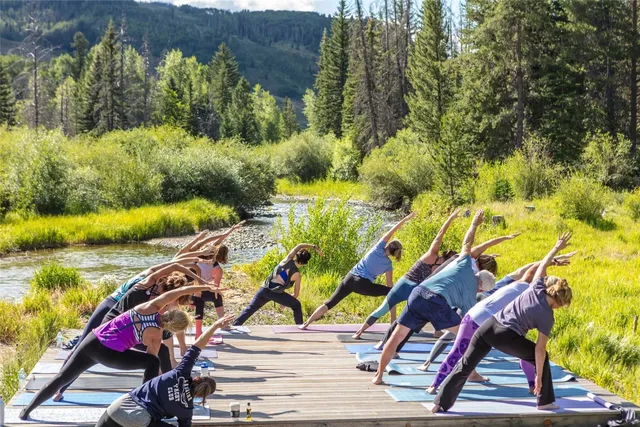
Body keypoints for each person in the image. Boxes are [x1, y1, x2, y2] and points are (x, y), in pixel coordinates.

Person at [19, 283, 222, 421]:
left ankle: (26, 412)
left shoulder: (150, 306)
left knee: (62, 377)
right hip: (109, 354)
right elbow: (151, 366)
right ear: (173, 328)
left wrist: (205, 286)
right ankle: (145, 406)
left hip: (92, 340)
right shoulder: (156, 337)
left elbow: (178, 292)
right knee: (152, 363)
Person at [430, 232, 573, 413]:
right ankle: (544, 402)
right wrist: (539, 378)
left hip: (487, 327)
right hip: (505, 335)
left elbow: (542, 264)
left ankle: (439, 403)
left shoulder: (537, 287)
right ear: (560, 302)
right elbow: (539, 349)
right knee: (544, 358)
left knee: (465, 365)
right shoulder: (547, 316)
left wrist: (556, 248)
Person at [371, 209, 496, 385]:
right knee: (467, 337)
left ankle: (378, 375)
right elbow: (469, 320)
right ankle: (472, 373)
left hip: (418, 293)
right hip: (435, 301)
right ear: (481, 288)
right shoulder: (470, 298)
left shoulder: (464, 263)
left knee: (397, 337)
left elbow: (467, 242)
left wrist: (474, 223)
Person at [53, 263, 207, 402]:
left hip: (126, 329)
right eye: (176, 299)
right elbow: (175, 264)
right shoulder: (148, 284)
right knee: (82, 352)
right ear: (170, 292)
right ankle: (59, 389)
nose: (175, 303)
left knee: (162, 351)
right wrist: (199, 279)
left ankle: (168, 387)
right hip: (109, 316)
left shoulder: (161, 303)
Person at [96, 314, 235, 427]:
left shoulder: (181, 372)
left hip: (118, 408)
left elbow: (197, 346)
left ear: (197, 378)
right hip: (141, 421)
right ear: (201, 396)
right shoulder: (186, 411)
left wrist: (215, 325)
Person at [352, 208, 461, 340]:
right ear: (449, 258)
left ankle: (437, 332)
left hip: (412, 288)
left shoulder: (444, 267)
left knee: (429, 307)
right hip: (406, 286)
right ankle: (360, 331)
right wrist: (451, 218)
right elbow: (440, 233)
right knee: (384, 309)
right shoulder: (432, 254)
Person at [300, 212, 416, 330]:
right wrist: (392, 311)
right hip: (362, 284)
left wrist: (405, 219)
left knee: (330, 303)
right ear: (396, 253)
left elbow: (392, 230)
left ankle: (306, 324)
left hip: (349, 278)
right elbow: (390, 289)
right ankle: (394, 322)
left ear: (388, 245)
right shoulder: (388, 265)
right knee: (392, 292)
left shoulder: (377, 247)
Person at [233, 243, 324, 326]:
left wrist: (314, 247)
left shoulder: (287, 259)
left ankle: (235, 325)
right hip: (276, 294)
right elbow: (296, 295)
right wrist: (284, 301)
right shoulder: (297, 275)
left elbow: (299, 246)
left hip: (264, 289)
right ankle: (299, 327)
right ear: (304, 263)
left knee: (250, 309)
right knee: (296, 305)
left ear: (296, 256)